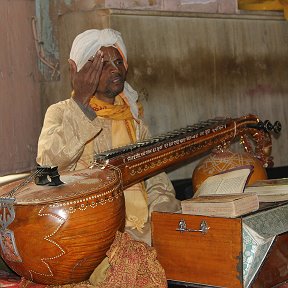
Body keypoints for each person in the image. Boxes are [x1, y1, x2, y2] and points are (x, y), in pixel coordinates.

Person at [36, 28, 180, 245]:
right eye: (104, 64)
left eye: (118, 62)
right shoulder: (61, 113)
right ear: (81, 71)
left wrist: (161, 216)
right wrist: (81, 102)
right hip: (85, 231)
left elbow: (157, 180)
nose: (115, 70)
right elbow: (49, 163)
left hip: (140, 231)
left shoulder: (133, 120)